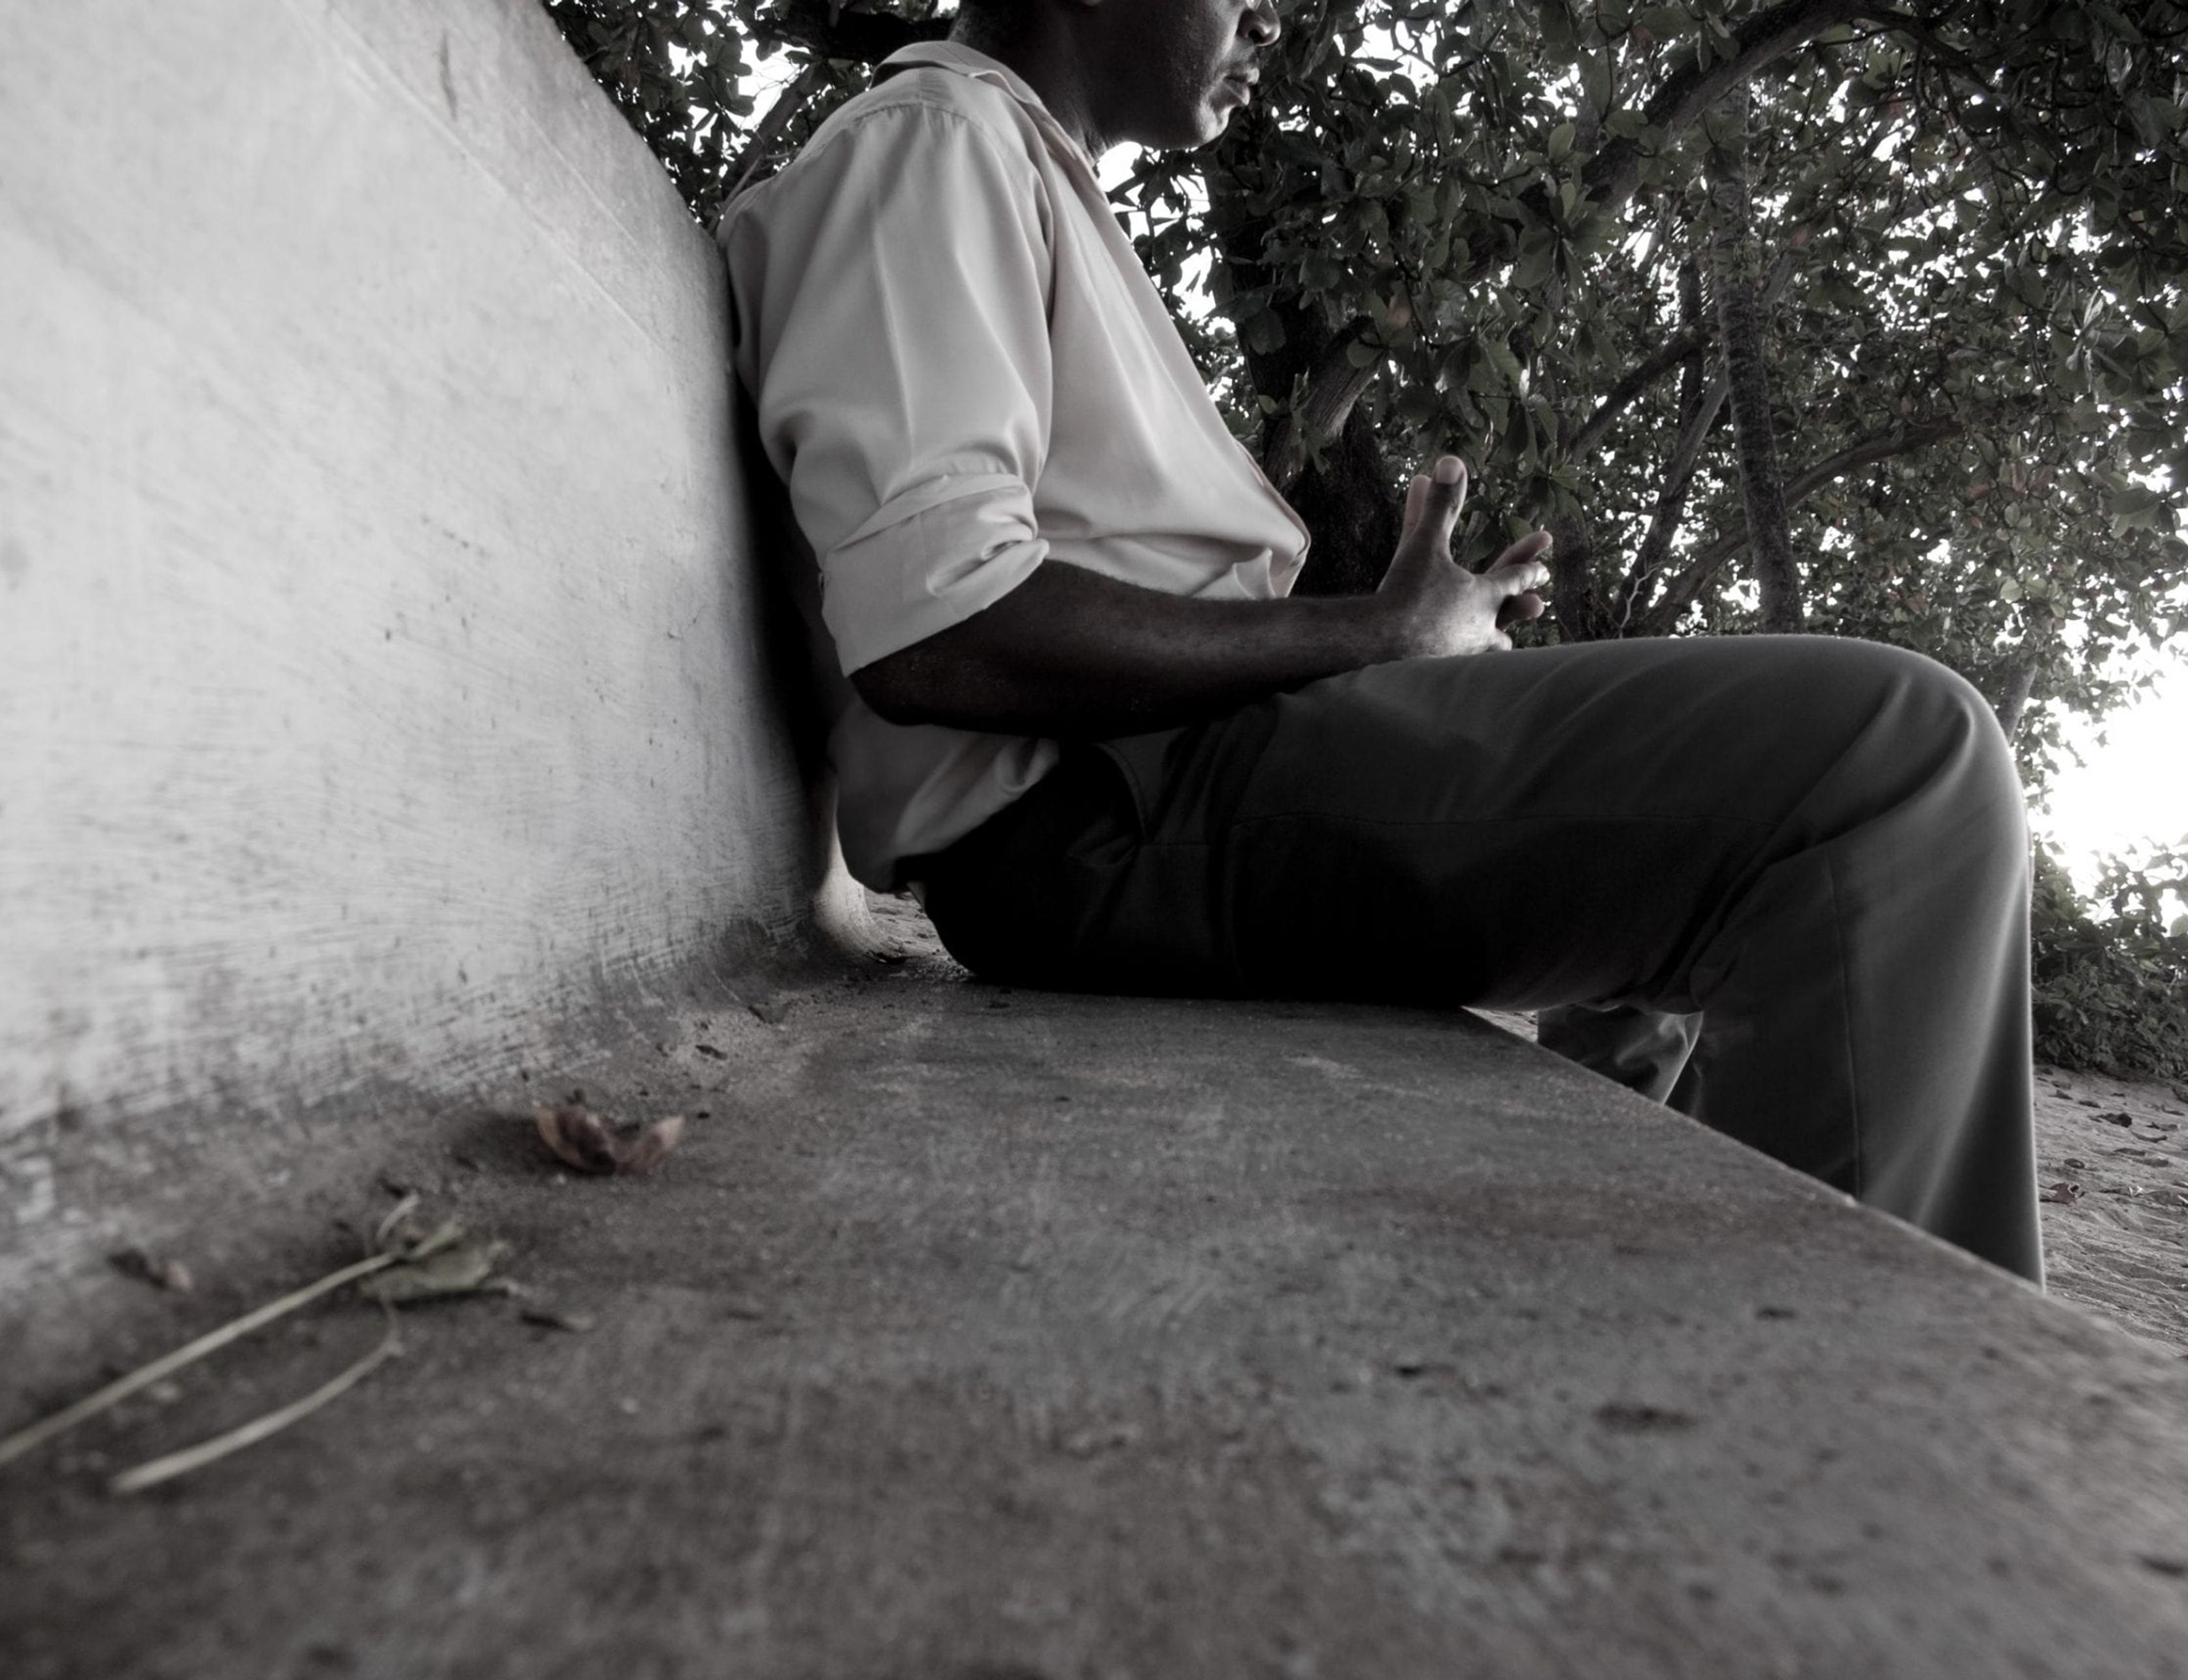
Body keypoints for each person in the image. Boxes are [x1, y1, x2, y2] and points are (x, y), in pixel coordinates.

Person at [717, 0, 2044, 1283]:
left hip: (1163, 790)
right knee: (1892, 770)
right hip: (1098, 820)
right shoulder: (935, 138)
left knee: (1662, 915)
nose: (1278, 22)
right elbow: (940, 628)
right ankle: (1880, 1458)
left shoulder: (1013, 169)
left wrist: (1400, 655)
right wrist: (1369, 632)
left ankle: (1643, 1300)